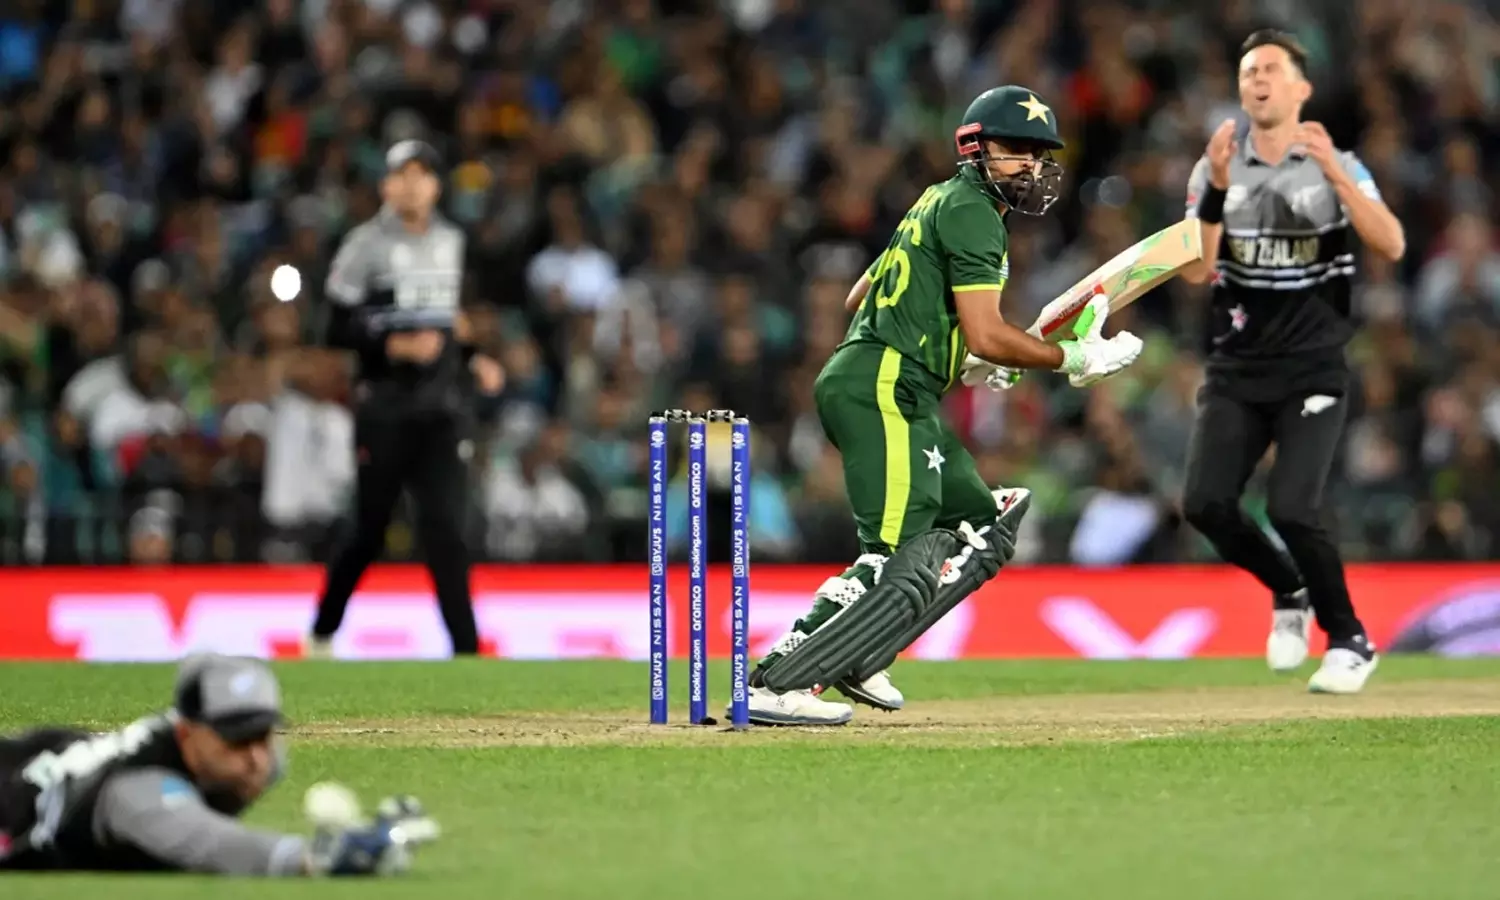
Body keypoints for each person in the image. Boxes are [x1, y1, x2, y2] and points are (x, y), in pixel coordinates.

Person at [740, 85, 1145, 725]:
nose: (1031, 166)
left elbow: (859, 296)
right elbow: (985, 332)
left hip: (897, 383)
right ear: (976, 148)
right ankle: (776, 683)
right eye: (1016, 150)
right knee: (892, 554)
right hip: (884, 385)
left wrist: (960, 353)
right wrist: (1068, 358)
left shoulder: (938, 199)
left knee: (985, 523)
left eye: (1039, 154)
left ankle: (862, 652)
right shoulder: (973, 212)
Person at [1179, 31, 1405, 694]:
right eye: (1249, 70)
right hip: (1237, 369)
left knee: (1293, 509)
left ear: (1301, 88)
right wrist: (1217, 190)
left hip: (1313, 367)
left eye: (1271, 69)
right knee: (1205, 505)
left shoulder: (1338, 164)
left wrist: (1337, 174)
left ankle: (1351, 639)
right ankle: (1289, 588)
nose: (1258, 79)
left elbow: (1391, 243)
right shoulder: (1214, 166)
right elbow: (1195, 270)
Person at [307, 140, 504, 657]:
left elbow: (449, 318)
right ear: (386, 186)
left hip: (441, 409)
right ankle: (322, 633)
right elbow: (333, 327)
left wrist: (472, 358)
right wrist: (392, 345)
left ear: (437, 186)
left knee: (447, 529)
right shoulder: (363, 246)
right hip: (385, 407)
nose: (413, 185)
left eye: (423, 175)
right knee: (369, 530)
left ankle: (466, 652)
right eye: (403, 175)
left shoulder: (451, 241)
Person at [0, 655, 432, 875]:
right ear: (188, 734)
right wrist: (323, 856)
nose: (256, 758)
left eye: (262, 735)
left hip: (51, 755)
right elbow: (211, 843)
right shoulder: (138, 792)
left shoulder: (258, 761)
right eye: (236, 739)